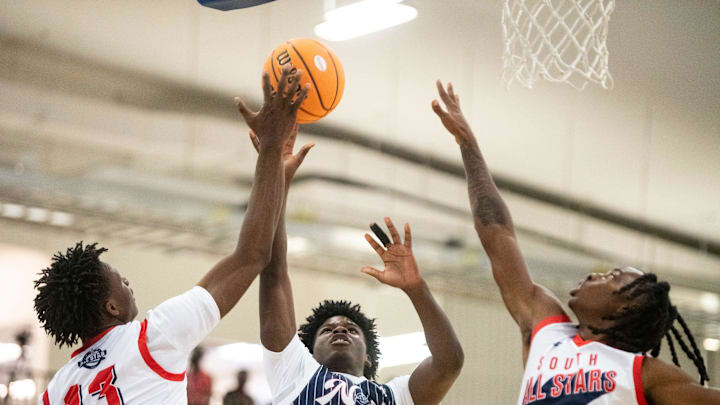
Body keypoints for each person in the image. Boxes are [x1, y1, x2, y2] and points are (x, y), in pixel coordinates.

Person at [431, 79, 720, 404]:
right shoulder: (544, 326)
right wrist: (467, 143)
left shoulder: (644, 373)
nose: (597, 275)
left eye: (613, 278)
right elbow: (497, 232)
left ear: (628, 306)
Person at [33, 65, 310, 405]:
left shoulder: (58, 389)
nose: (127, 282)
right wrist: (270, 147)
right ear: (111, 306)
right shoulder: (152, 339)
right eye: (120, 280)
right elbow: (252, 255)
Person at [250, 125, 464, 405]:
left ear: (368, 356)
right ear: (310, 353)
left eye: (351, 330)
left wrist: (415, 288)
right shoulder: (295, 372)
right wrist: (278, 179)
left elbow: (449, 364)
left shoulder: (395, 396)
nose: (340, 330)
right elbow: (274, 273)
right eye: (327, 330)